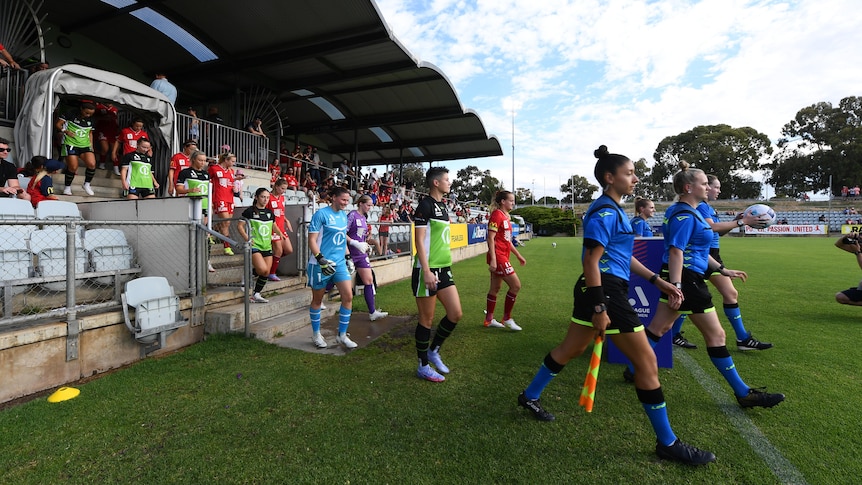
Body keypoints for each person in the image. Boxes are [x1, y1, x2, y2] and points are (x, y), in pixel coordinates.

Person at [517, 146, 715, 465]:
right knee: (647, 362)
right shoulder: (605, 212)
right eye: (629, 173)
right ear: (610, 178)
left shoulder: (615, 209)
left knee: (570, 350)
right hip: (603, 291)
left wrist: (657, 281)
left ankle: (529, 396)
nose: (635, 178)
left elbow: (624, 256)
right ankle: (668, 443)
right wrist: (599, 308)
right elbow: (591, 261)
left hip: (599, 289)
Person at [640, 161, 785, 409]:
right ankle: (743, 393)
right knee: (716, 335)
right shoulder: (685, 214)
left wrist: (722, 269)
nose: (709, 187)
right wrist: (676, 285)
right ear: (688, 187)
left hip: (686, 276)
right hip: (686, 279)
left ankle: (635, 368)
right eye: (704, 183)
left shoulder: (692, 212)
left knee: (659, 328)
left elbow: (697, 249)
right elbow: (676, 251)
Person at [669, 174, 773, 351]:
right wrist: (742, 221)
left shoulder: (707, 208)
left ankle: (674, 334)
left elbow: (718, 233)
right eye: (714, 187)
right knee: (722, 294)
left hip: (710, 255)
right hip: (702, 255)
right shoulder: (700, 207)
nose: (717, 190)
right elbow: (712, 228)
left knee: (694, 298)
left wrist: (735, 222)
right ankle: (742, 339)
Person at [412, 167, 462, 382]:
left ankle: (434, 351)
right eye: (447, 180)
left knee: (455, 313)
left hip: (444, 268)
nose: (449, 183)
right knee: (427, 319)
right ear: (436, 183)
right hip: (427, 270)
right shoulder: (425, 205)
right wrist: (426, 270)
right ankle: (423, 365)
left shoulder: (443, 206)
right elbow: (419, 241)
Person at [307, 186, 358, 349]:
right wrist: (320, 259)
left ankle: (342, 335)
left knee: (348, 296)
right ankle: (316, 334)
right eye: (343, 200)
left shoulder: (343, 216)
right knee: (317, 300)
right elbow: (312, 241)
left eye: (347, 200)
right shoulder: (320, 214)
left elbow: (341, 239)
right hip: (320, 265)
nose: (345, 203)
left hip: (339, 263)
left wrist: (348, 257)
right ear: (334, 198)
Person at [483, 190, 526, 330]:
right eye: (511, 200)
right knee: (516, 285)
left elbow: (507, 241)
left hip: (503, 255)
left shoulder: (506, 217)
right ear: (503, 201)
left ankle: (489, 319)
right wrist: (494, 260)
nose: (513, 203)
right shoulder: (496, 215)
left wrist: (518, 255)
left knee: (495, 288)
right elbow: (490, 238)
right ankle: (507, 318)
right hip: (498, 257)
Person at [238, 188, 286, 304]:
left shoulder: (270, 213)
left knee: (266, 272)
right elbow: (239, 226)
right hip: (255, 245)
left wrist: (280, 233)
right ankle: (247, 274)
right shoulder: (249, 212)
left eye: (267, 197)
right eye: (263, 197)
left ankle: (256, 294)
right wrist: (247, 238)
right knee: (262, 269)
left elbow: (274, 226)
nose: (265, 200)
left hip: (267, 246)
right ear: (256, 197)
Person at [348, 194, 389, 321]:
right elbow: (342, 232)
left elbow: (362, 236)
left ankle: (372, 312)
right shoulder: (352, 215)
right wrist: (354, 243)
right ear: (361, 203)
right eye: (368, 205)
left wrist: (366, 245)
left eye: (371, 205)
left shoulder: (364, 218)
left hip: (360, 254)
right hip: (349, 252)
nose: (370, 207)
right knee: (336, 278)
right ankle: (319, 297)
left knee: (368, 280)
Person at [176, 150, 214, 273]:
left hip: (205, 207)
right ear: (193, 160)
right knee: (191, 233)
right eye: (200, 160)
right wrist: (190, 190)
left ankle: (206, 260)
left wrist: (210, 207)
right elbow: (178, 189)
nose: (203, 163)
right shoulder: (185, 172)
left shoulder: (206, 174)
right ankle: (189, 261)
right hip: (191, 206)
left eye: (204, 160)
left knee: (207, 235)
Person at [56, 101, 98, 196]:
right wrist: (65, 131)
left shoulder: (92, 120)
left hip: (85, 144)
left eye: (91, 114)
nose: (88, 115)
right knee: (73, 167)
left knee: (92, 164)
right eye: (86, 112)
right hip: (70, 143)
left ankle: (87, 184)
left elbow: (90, 133)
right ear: (81, 109)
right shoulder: (70, 113)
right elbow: (58, 124)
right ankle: (67, 187)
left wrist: (91, 145)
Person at [209, 152, 238, 255]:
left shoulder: (231, 171)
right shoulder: (214, 168)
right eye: (232, 161)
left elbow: (231, 183)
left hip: (230, 199)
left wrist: (235, 187)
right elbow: (208, 181)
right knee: (226, 222)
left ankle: (211, 230)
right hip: (219, 198)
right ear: (226, 160)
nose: (234, 163)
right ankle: (227, 246)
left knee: (227, 223)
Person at [267, 179, 295, 281]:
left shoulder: (282, 198)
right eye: (282, 188)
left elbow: (281, 213)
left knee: (288, 250)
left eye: (285, 189)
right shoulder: (268, 197)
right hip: (273, 228)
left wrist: (286, 220)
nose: (283, 191)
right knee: (278, 250)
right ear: (276, 186)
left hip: (281, 228)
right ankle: (271, 273)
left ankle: (269, 263)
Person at [834, 233, 862, 305]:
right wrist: (845, 237)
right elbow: (838, 244)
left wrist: (858, 253)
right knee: (840, 297)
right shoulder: (859, 248)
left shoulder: (859, 251)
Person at [93, 102, 119, 172]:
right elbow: (94, 117)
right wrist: (103, 118)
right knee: (105, 148)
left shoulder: (115, 109)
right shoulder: (99, 107)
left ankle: (116, 167)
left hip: (113, 131)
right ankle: (102, 163)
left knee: (115, 150)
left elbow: (116, 119)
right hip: (103, 130)